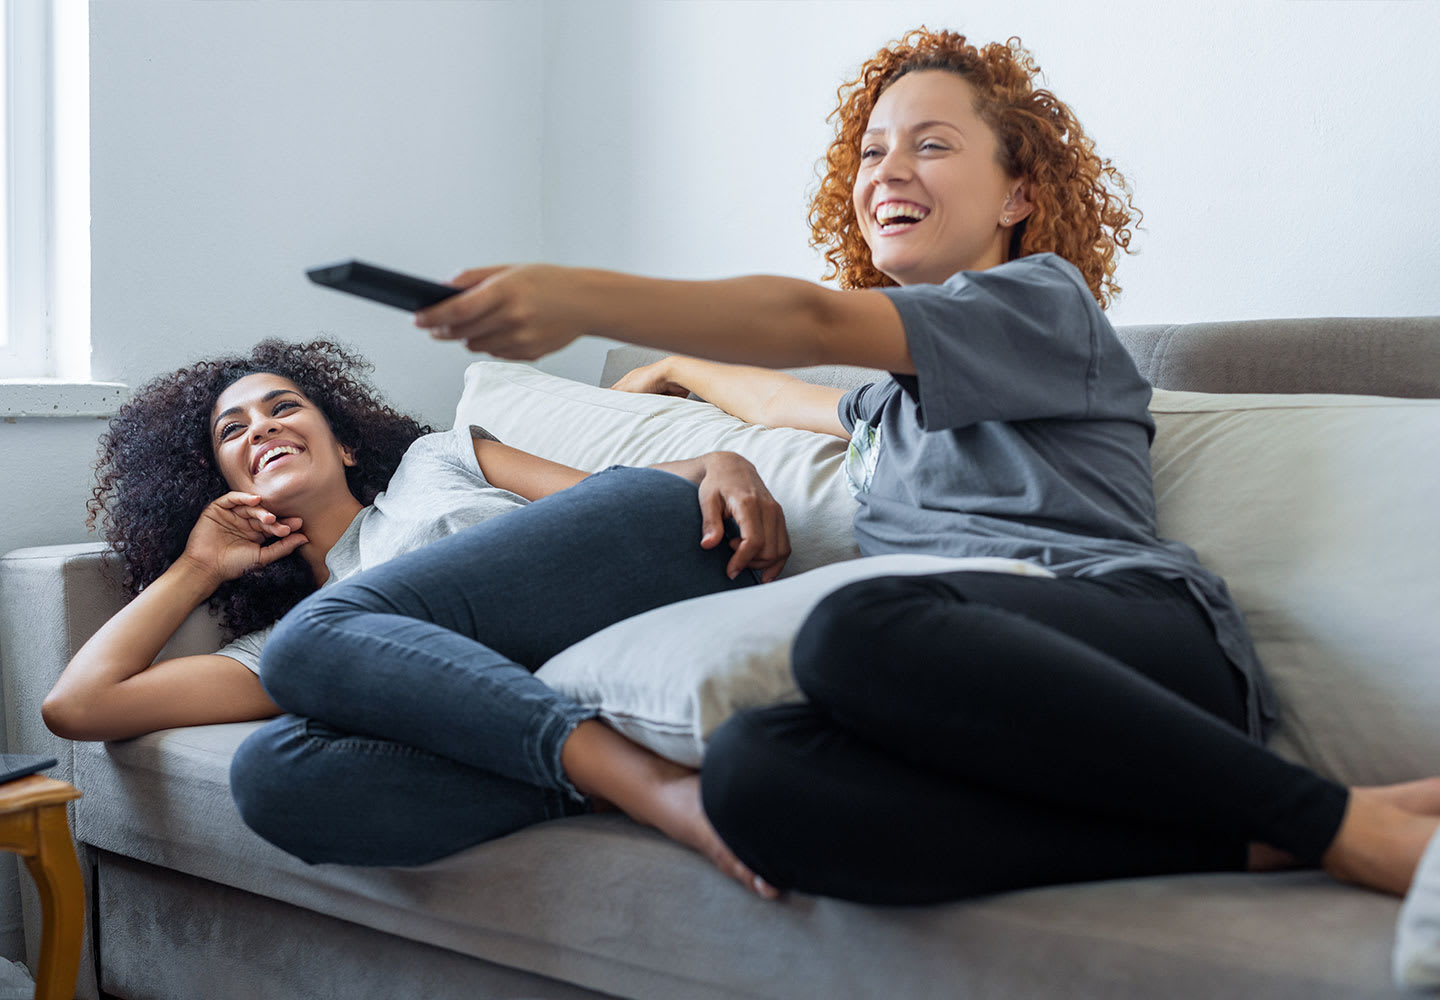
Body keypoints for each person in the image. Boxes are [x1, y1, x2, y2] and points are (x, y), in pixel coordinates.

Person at [409, 28, 1440, 904]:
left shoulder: (1041, 306)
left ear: (1019, 193)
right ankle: (1266, 839)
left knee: (856, 626)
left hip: (1139, 649)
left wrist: (584, 300)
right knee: (759, 775)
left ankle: (1340, 820)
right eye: (871, 151)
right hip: (979, 694)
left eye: (932, 145)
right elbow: (787, 397)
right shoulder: (886, 405)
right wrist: (680, 368)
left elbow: (808, 320)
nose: (887, 172)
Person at [42, 338, 788, 894]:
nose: (260, 429)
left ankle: (650, 787)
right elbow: (80, 705)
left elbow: (612, 501)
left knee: (315, 640)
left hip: (636, 574)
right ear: (222, 484)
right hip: (537, 689)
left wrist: (716, 462)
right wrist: (197, 566)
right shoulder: (294, 641)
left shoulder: (438, 460)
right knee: (270, 775)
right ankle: (588, 775)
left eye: (282, 408)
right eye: (231, 432)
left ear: (345, 440)